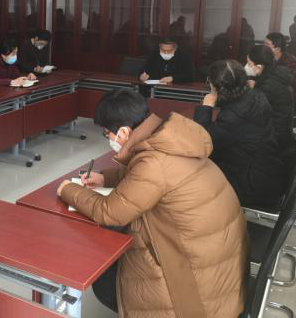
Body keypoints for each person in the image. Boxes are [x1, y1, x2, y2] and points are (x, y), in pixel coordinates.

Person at [57, 89, 248, 318]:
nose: (107, 138)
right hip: (217, 263)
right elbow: (146, 176)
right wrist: (104, 178)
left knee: (104, 279)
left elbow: (110, 212)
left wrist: (68, 189)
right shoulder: (169, 138)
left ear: (124, 132)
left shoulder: (153, 163)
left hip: (193, 281)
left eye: (107, 133)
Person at [194, 60, 285, 207]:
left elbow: (203, 140)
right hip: (267, 172)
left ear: (216, 87)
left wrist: (206, 106)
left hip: (250, 185)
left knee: (191, 177)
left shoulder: (233, 115)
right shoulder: (256, 95)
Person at [246, 45, 294, 147]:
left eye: (249, 64)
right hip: (281, 131)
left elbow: (253, 112)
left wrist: (252, 90)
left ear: (259, 66)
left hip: (274, 138)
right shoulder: (276, 73)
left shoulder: (268, 86)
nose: (246, 67)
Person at [265, 32, 296, 107]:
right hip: (270, 95)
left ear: (277, 49)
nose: (263, 47)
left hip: (291, 99)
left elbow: (283, 82)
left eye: (267, 45)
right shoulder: (265, 57)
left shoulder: (291, 61)